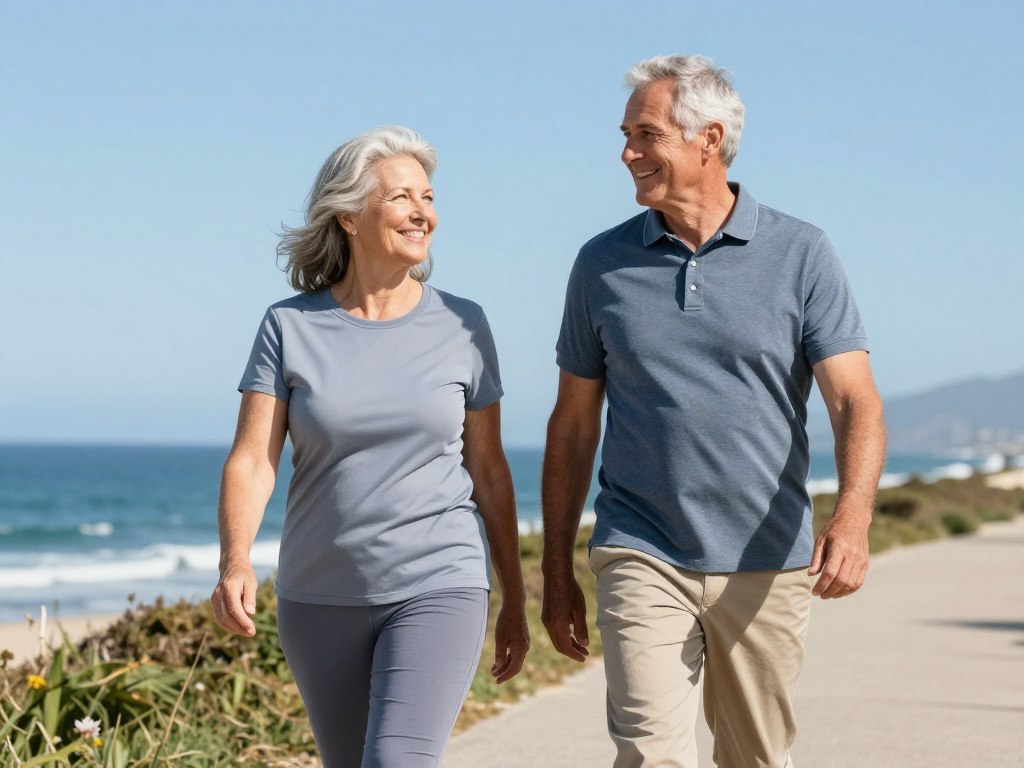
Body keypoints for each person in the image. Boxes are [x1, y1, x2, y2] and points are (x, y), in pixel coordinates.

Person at [541, 55, 886, 767]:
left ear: (710, 138)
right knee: (650, 753)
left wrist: (852, 518)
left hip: (767, 557)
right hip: (641, 547)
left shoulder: (801, 253)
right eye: (626, 136)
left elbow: (854, 398)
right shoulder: (600, 264)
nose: (628, 154)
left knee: (755, 757)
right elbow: (572, 425)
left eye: (647, 135)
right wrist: (555, 569)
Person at [211, 126, 529, 768]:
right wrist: (235, 560)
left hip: (439, 580)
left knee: (397, 760)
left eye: (428, 197)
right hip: (318, 594)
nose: (422, 213)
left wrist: (515, 597)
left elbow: (488, 469)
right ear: (349, 216)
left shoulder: (464, 324)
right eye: (401, 197)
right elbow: (252, 459)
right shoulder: (289, 325)